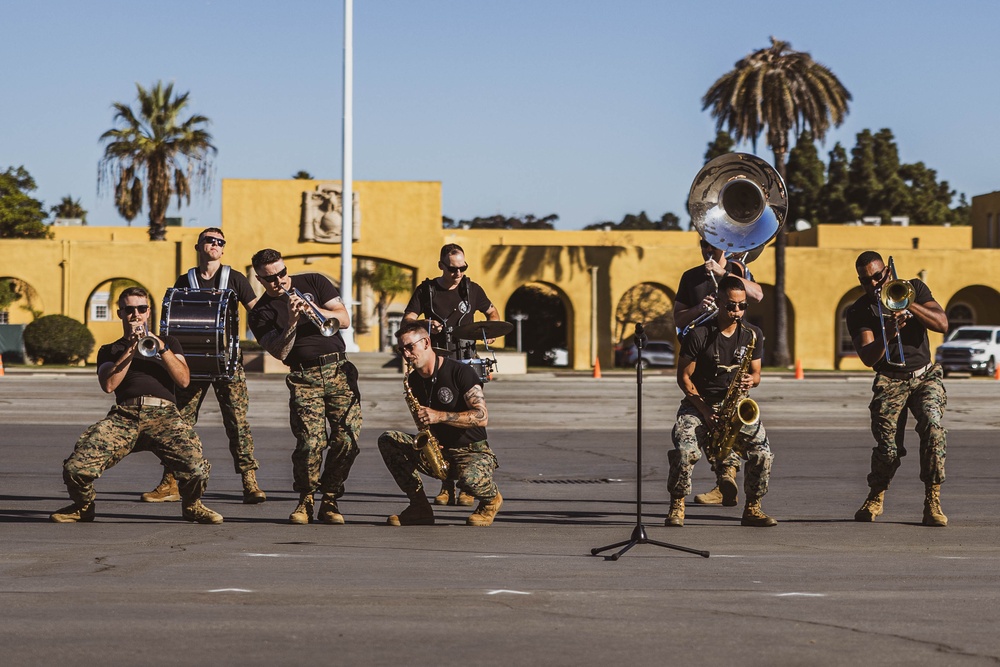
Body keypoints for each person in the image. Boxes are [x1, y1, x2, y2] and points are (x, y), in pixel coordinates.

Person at [50, 287, 222, 524]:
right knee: (76, 468)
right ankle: (83, 506)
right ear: (120, 313)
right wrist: (130, 349)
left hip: (164, 415)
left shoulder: (169, 342)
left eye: (141, 309)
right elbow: (109, 385)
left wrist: (161, 347)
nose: (135, 315)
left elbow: (183, 380)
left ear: (148, 312)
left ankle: (192, 505)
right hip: (125, 416)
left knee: (196, 469)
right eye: (129, 310)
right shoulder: (110, 350)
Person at [141, 227, 265, 505]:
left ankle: (250, 482)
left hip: (229, 364)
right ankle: (171, 481)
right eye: (210, 240)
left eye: (220, 242)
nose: (215, 245)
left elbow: (256, 310)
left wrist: (274, 329)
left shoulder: (234, 278)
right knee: (180, 423)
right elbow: (175, 317)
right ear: (198, 246)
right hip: (192, 365)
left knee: (237, 424)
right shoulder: (186, 280)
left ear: (223, 249)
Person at [247, 249, 361, 525]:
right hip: (303, 375)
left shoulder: (314, 281)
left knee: (347, 439)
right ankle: (306, 499)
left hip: (338, 370)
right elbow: (280, 352)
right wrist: (292, 320)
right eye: (271, 278)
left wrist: (313, 310)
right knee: (310, 443)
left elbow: (343, 319)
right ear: (260, 280)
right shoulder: (260, 312)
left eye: (282, 273)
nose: (280, 282)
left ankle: (330, 498)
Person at [846, 251, 950, 527]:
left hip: (924, 376)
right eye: (867, 281)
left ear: (888, 272)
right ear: (861, 282)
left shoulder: (914, 288)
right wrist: (888, 333)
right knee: (888, 447)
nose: (875, 284)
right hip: (890, 379)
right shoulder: (858, 310)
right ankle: (876, 496)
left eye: (879, 277)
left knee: (933, 427)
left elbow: (942, 323)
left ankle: (932, 500)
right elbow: (869, 357)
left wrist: (908, 303)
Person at [665, 275, 776, 528]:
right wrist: (704, 410)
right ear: (718, 302)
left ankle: (753, 508)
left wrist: (752, 381)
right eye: (731, 306)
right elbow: (683, 377)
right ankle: (677, 504)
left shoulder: (752, 334)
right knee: (685, 451)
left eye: (742, 306)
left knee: (763, 454)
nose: (737, 311)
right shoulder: (699, 333)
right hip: (698, 403)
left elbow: (757, 373)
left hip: (735, 405)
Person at [402, 243, 501, 507]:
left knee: (466, 419)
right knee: (437, 425)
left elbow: (492, 312)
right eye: (453, 268)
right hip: (437, 360)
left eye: (463, 267)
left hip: (465, 361)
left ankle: (468, 485)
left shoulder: (472, 289)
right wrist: (425, 324)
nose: (458, 273)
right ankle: (447, 484)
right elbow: (408, 317)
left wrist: (490, 329)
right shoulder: (427, 290)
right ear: (441, 266)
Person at [377, 321, 503, 527]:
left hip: (472, 451)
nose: (406, 354)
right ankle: (419, 507)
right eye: (402, 349)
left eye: (410, 347)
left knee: (470, 482)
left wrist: (440, 417)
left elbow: (482, 416)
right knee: (388, 440)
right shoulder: (413, 380)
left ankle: (491, 500)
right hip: (441, 451)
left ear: (426, 342)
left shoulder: (460, 372)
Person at [672, 238, 764, 507]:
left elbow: (758, 295)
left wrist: (726, 275)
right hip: (703, 356)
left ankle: (728, 485)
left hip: (733, 354)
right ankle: (716, 485)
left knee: (732, 431)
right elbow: (678, 320)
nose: (708, 249)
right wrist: (699, 309)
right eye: (704, 244)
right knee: (700, 434)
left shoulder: (739, 270)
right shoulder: (691, 277)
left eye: (714, 244)